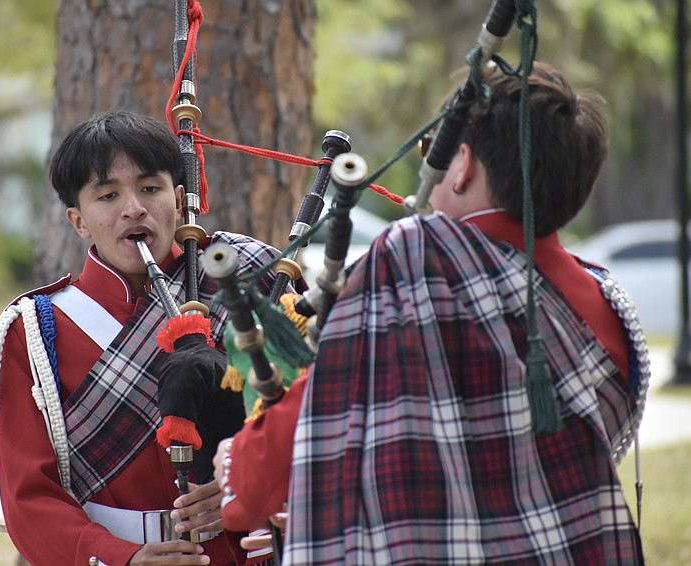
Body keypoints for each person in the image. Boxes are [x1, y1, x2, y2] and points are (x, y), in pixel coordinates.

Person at [214, 62, 648, 564]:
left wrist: (237, 466)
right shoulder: (607, 301)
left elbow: (273, 463)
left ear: (461, 164)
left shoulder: (414, 258)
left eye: (430, 151)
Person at [0, 110, 291, 565]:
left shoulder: (247, 280)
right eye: (108, 195)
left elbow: (312, 417)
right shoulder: (36, 330)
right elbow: (29, 494)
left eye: (151, 188)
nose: (134, 208)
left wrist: (252, 487)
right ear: (79, 220)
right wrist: (119, 557)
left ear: (180, 198)